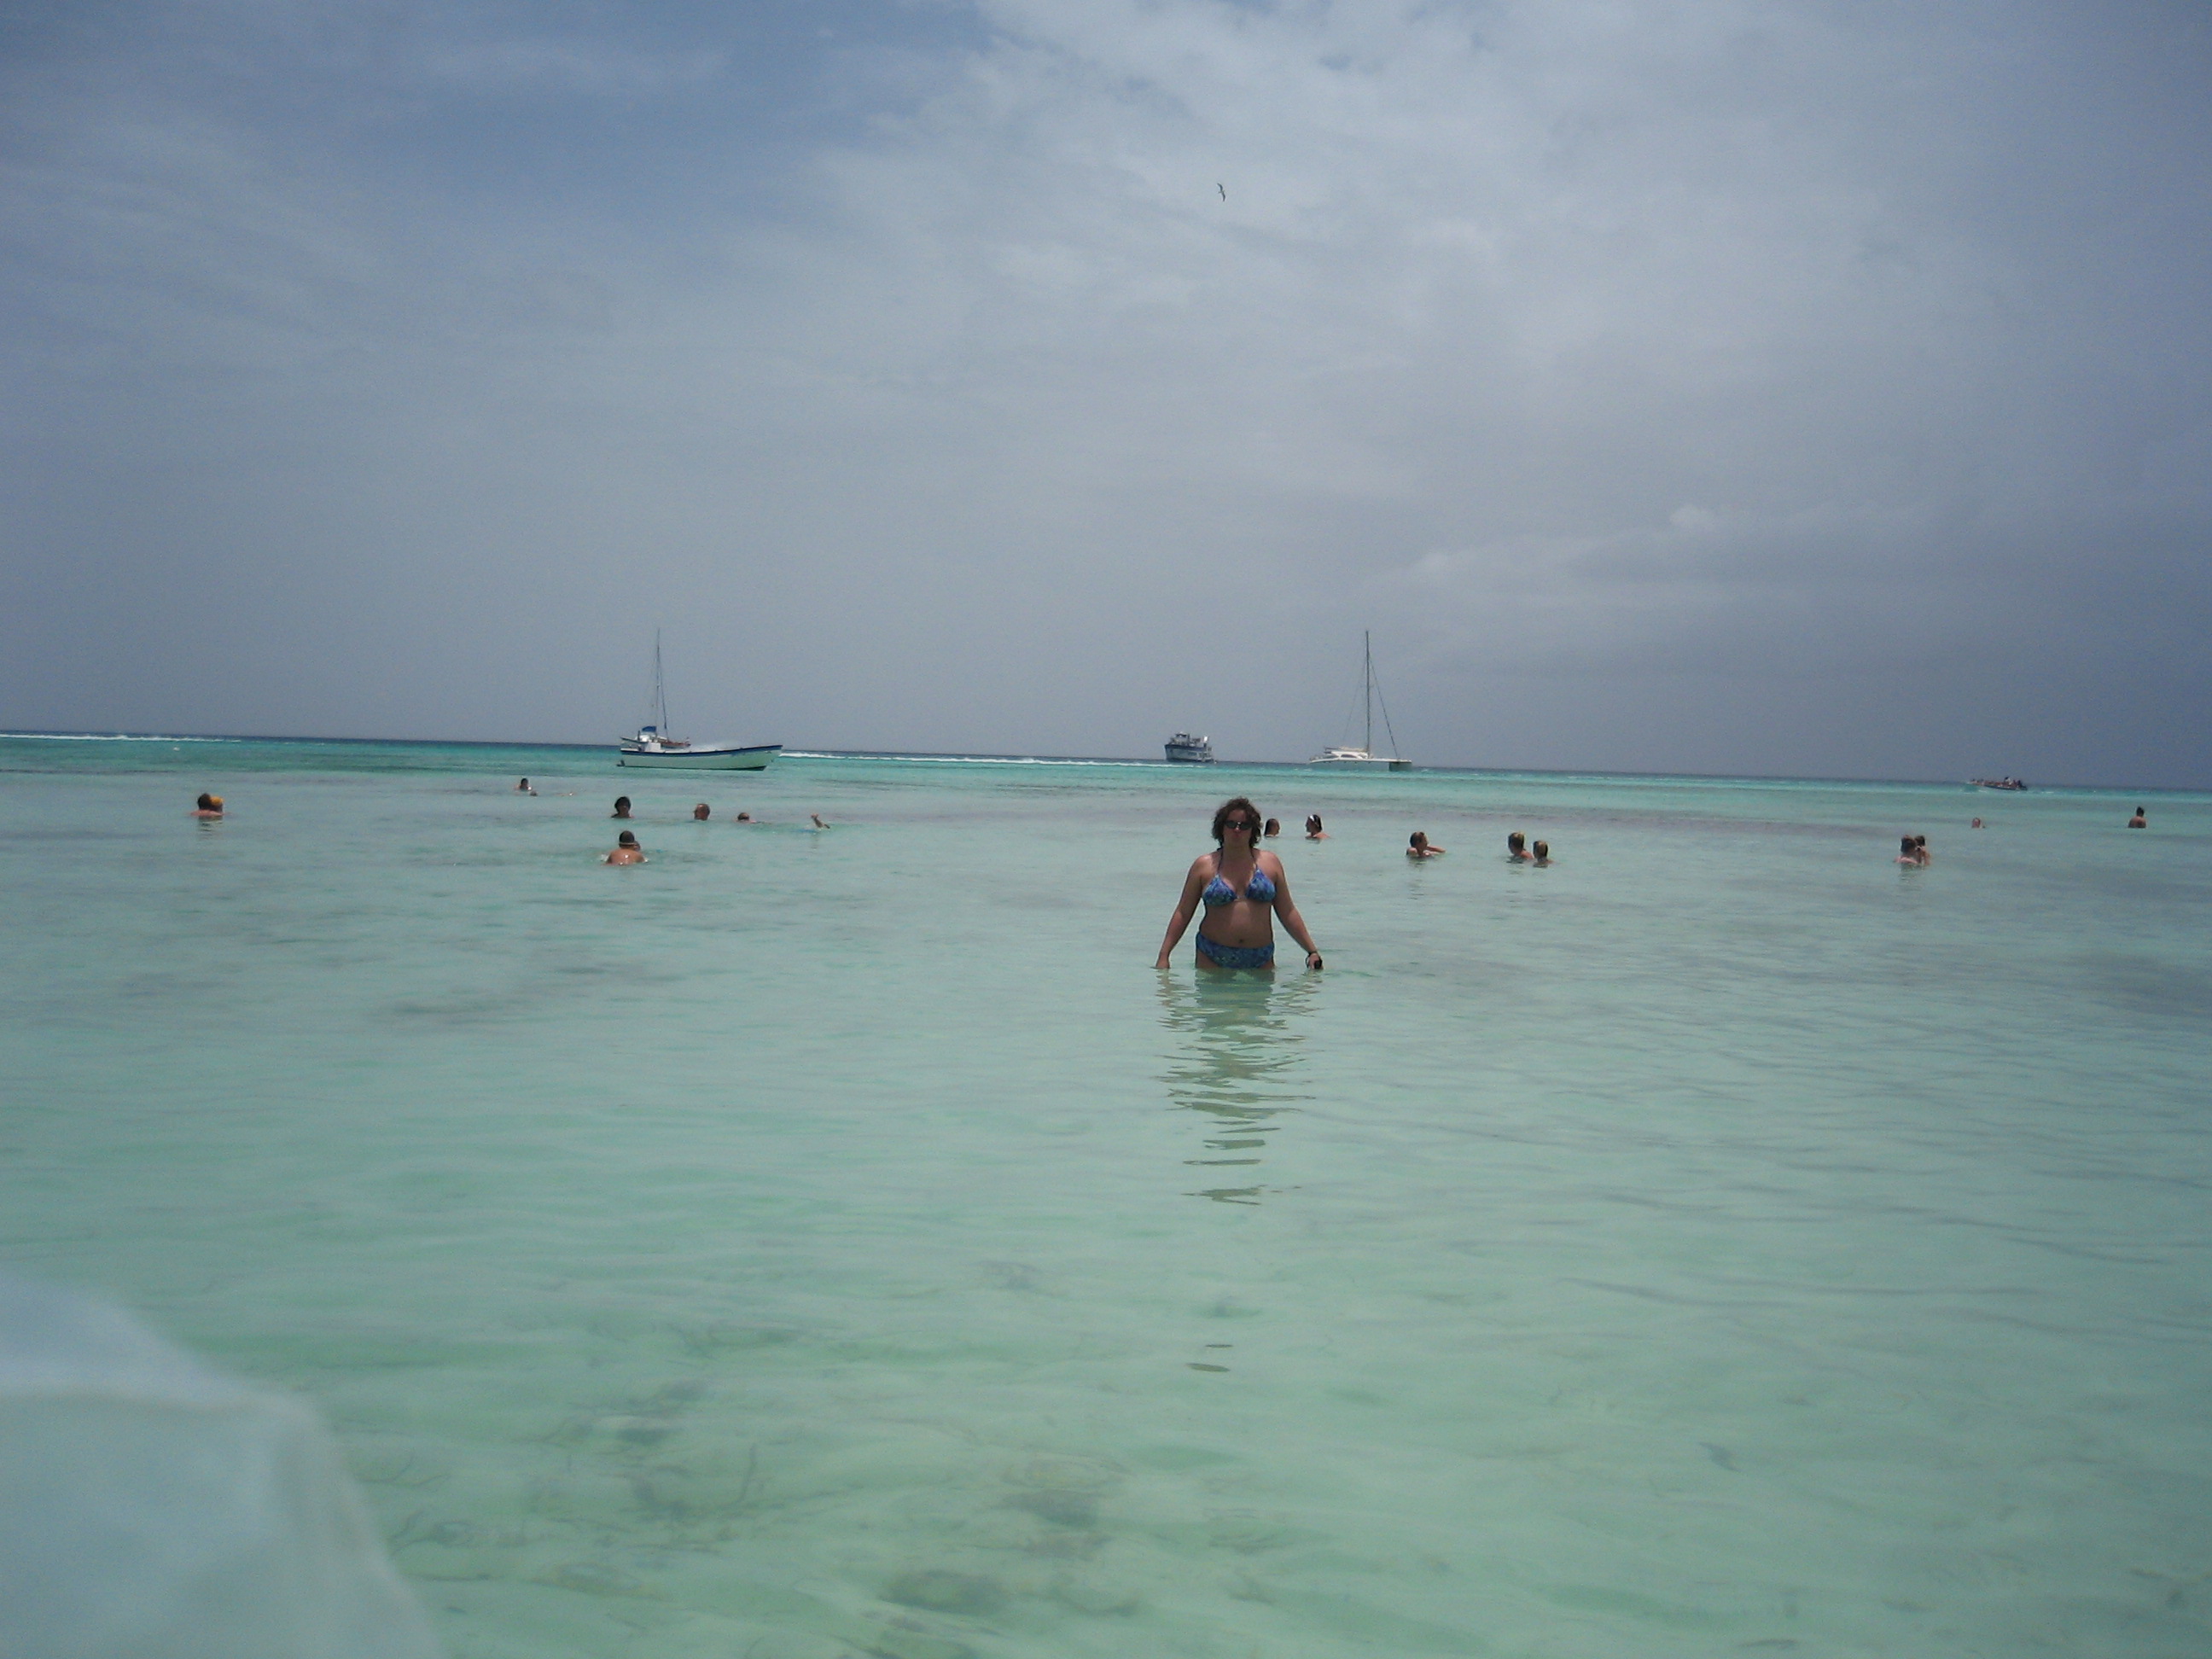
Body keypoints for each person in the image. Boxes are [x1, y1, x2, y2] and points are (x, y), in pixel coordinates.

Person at [1156, 796, 1324, 971]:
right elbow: (1183, 913)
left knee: (1261, 999)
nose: (1237, 830)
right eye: (1231, 824)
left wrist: (1311, 951)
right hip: (1212, 954)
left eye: (1244, 826)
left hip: (1261, 955)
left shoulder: (1270, 863)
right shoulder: (1204, 866)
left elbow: (1288, 912)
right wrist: (1164, 955)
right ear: (1221, 827)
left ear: (1253, 831)